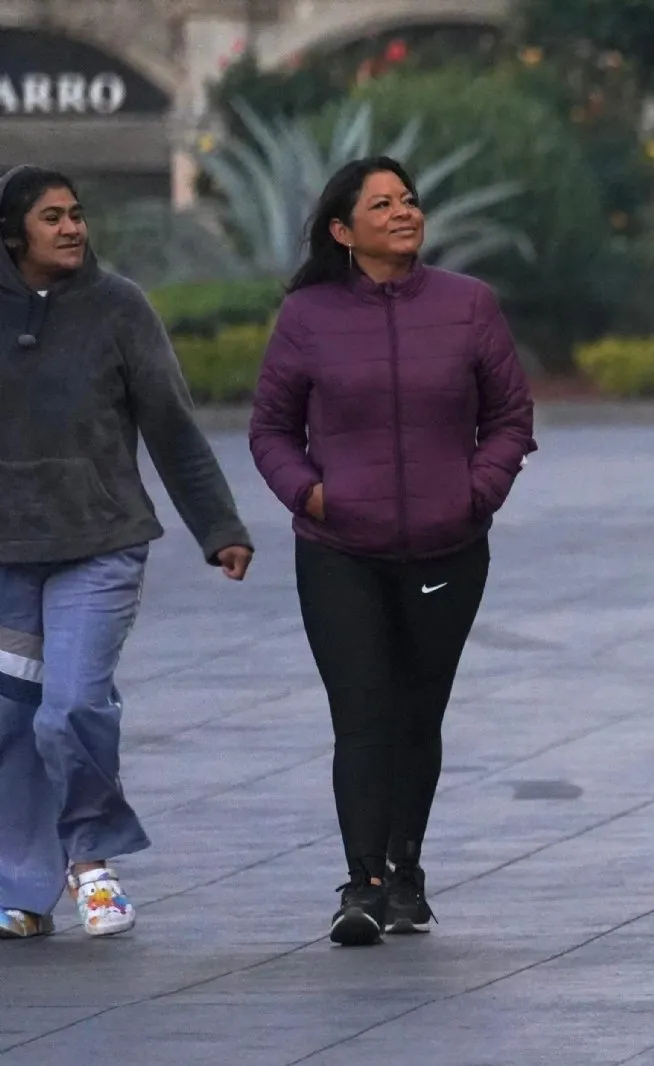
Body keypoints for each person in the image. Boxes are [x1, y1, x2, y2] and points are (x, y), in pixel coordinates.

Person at [249, 156, 535, 947]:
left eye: (409, 200)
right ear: (344, 231)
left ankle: (407, 874)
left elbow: (511, 416)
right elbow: (270, 428)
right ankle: (363, 883)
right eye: (383, 205)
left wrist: (476, 492)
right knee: (363, 714)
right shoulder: (307, 316)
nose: (405, 212)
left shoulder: (469, 306)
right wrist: (309, 493)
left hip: (448, 546)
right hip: (340, 546)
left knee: (417, 712)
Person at [0, 166, 254, 941]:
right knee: (9, 723)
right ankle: (20, 888)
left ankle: (92, 867)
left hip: (102, 541)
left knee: (72, 706)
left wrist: (220, 526)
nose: (73, 228)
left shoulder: (119, 307)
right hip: (7, 551)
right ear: (14, 234)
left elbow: (170, 424)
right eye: (53, 217)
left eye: (78, 214)